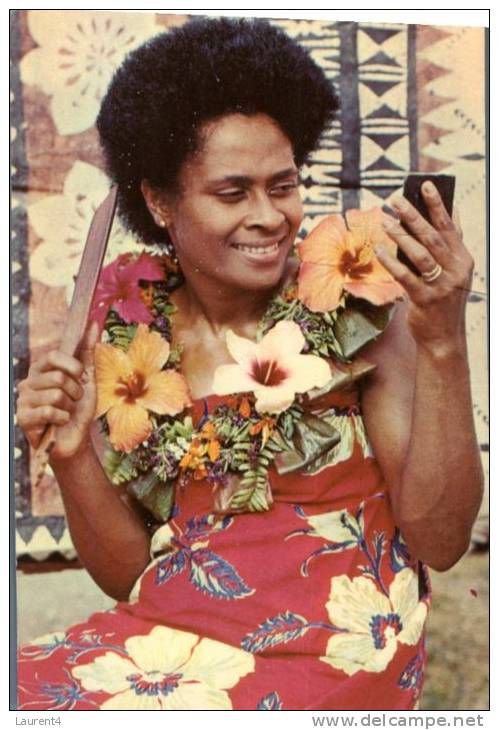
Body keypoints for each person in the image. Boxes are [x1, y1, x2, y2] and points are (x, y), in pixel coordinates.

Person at [16, 16, 483, 711]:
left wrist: (443, 340)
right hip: (172, 641)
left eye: (283, 185)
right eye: (232, 193)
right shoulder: (130, 328)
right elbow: (127, 579)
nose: (268, 216)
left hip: (335, 651)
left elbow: (440, 542)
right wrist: (70, 451)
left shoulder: (361, 308)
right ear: (158, 201)